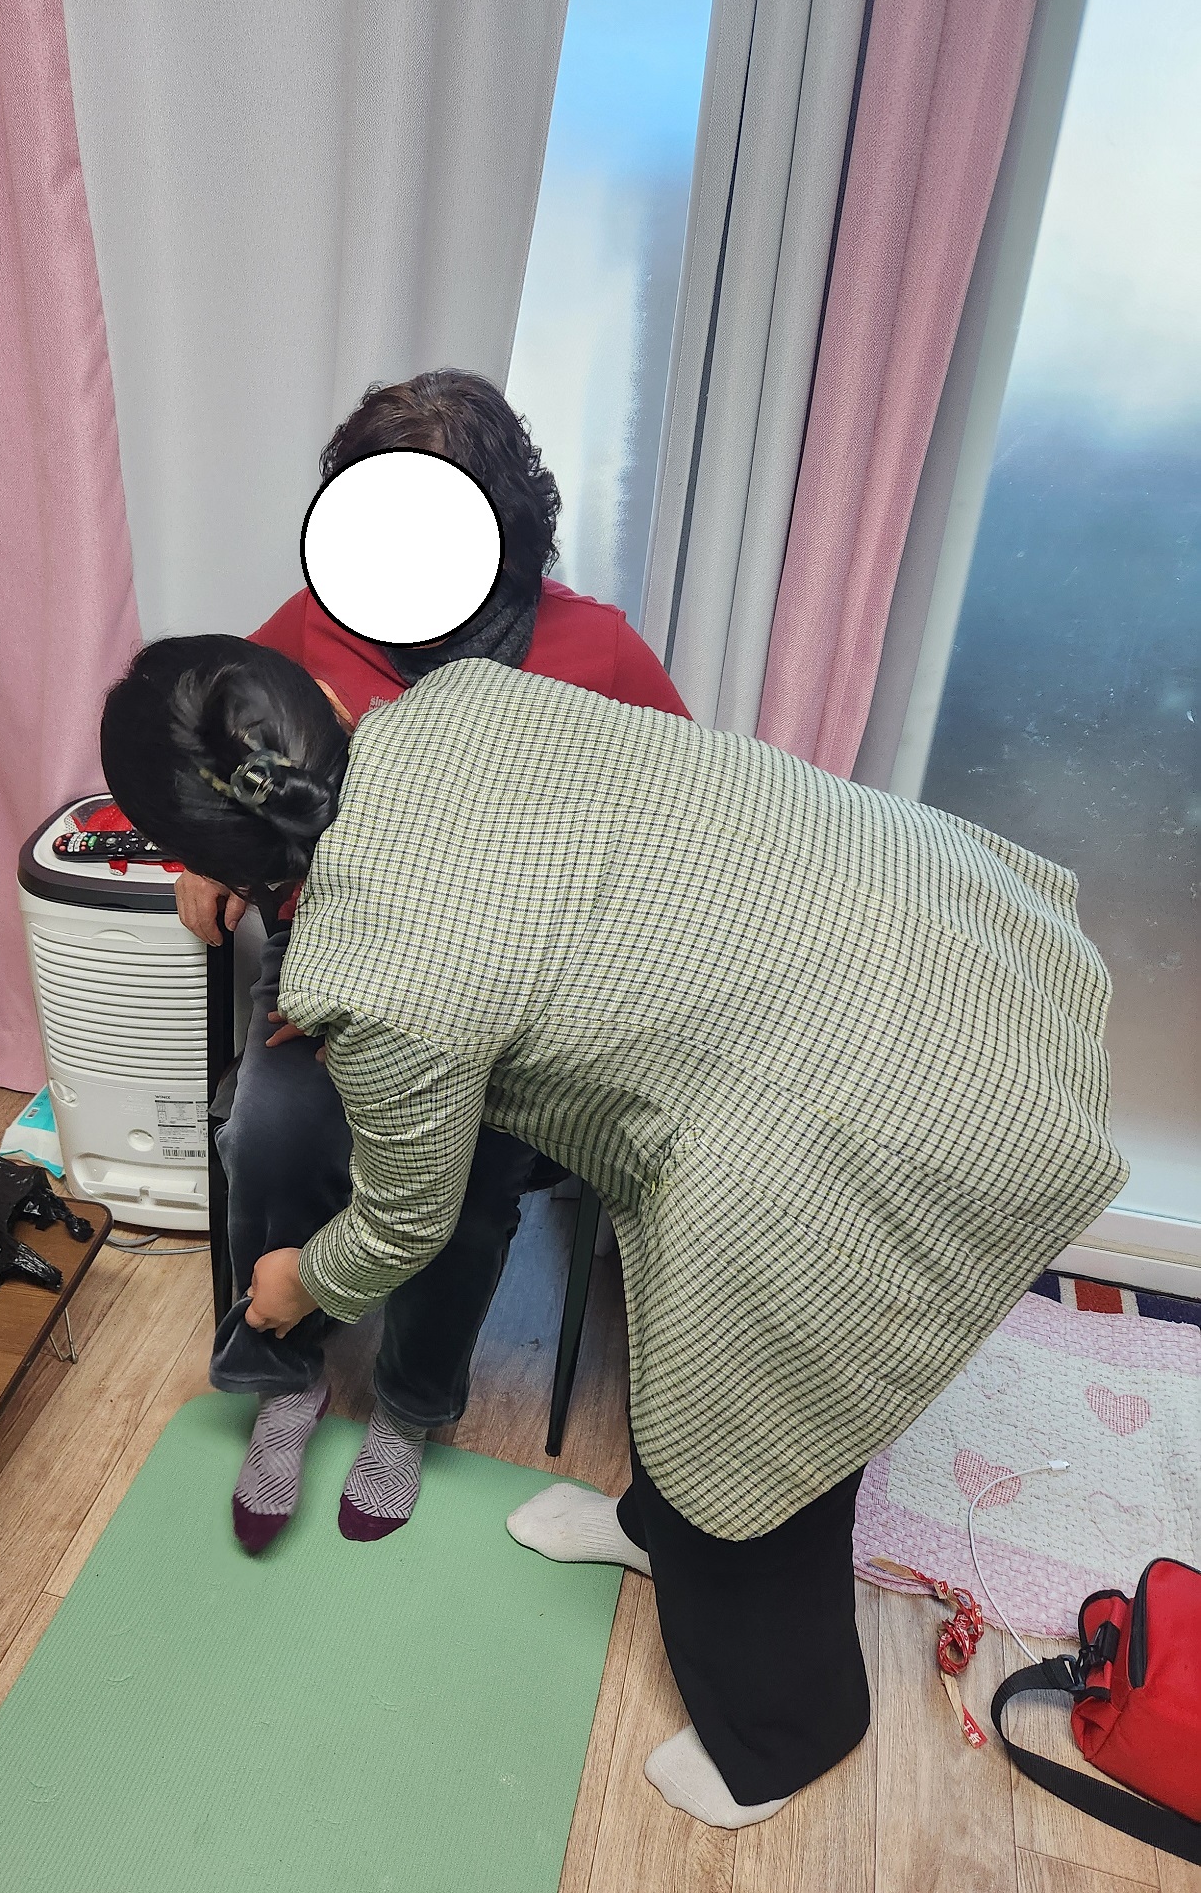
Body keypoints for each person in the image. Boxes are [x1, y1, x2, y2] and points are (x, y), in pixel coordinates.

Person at [101, 637, 1127, 1828]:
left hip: (882, 1098)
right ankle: (655, 1526)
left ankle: (784, 1736)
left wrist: (296, 1283)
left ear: (201, 859)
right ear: (326, 697)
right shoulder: (463, 699)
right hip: (944, 928)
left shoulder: (374, 975)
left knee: (762, 1413)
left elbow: (403, 1217)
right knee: (691, 1363)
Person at [175, 370, 689, 1557]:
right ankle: (286, 1378)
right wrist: (199, 846)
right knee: (271, 1133)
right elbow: (213, 741)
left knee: (466, 1185)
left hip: (510, 991)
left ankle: (410, 1406)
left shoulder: (595, 647)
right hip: (336, 952)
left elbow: (679, 817)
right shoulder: (315, 622)